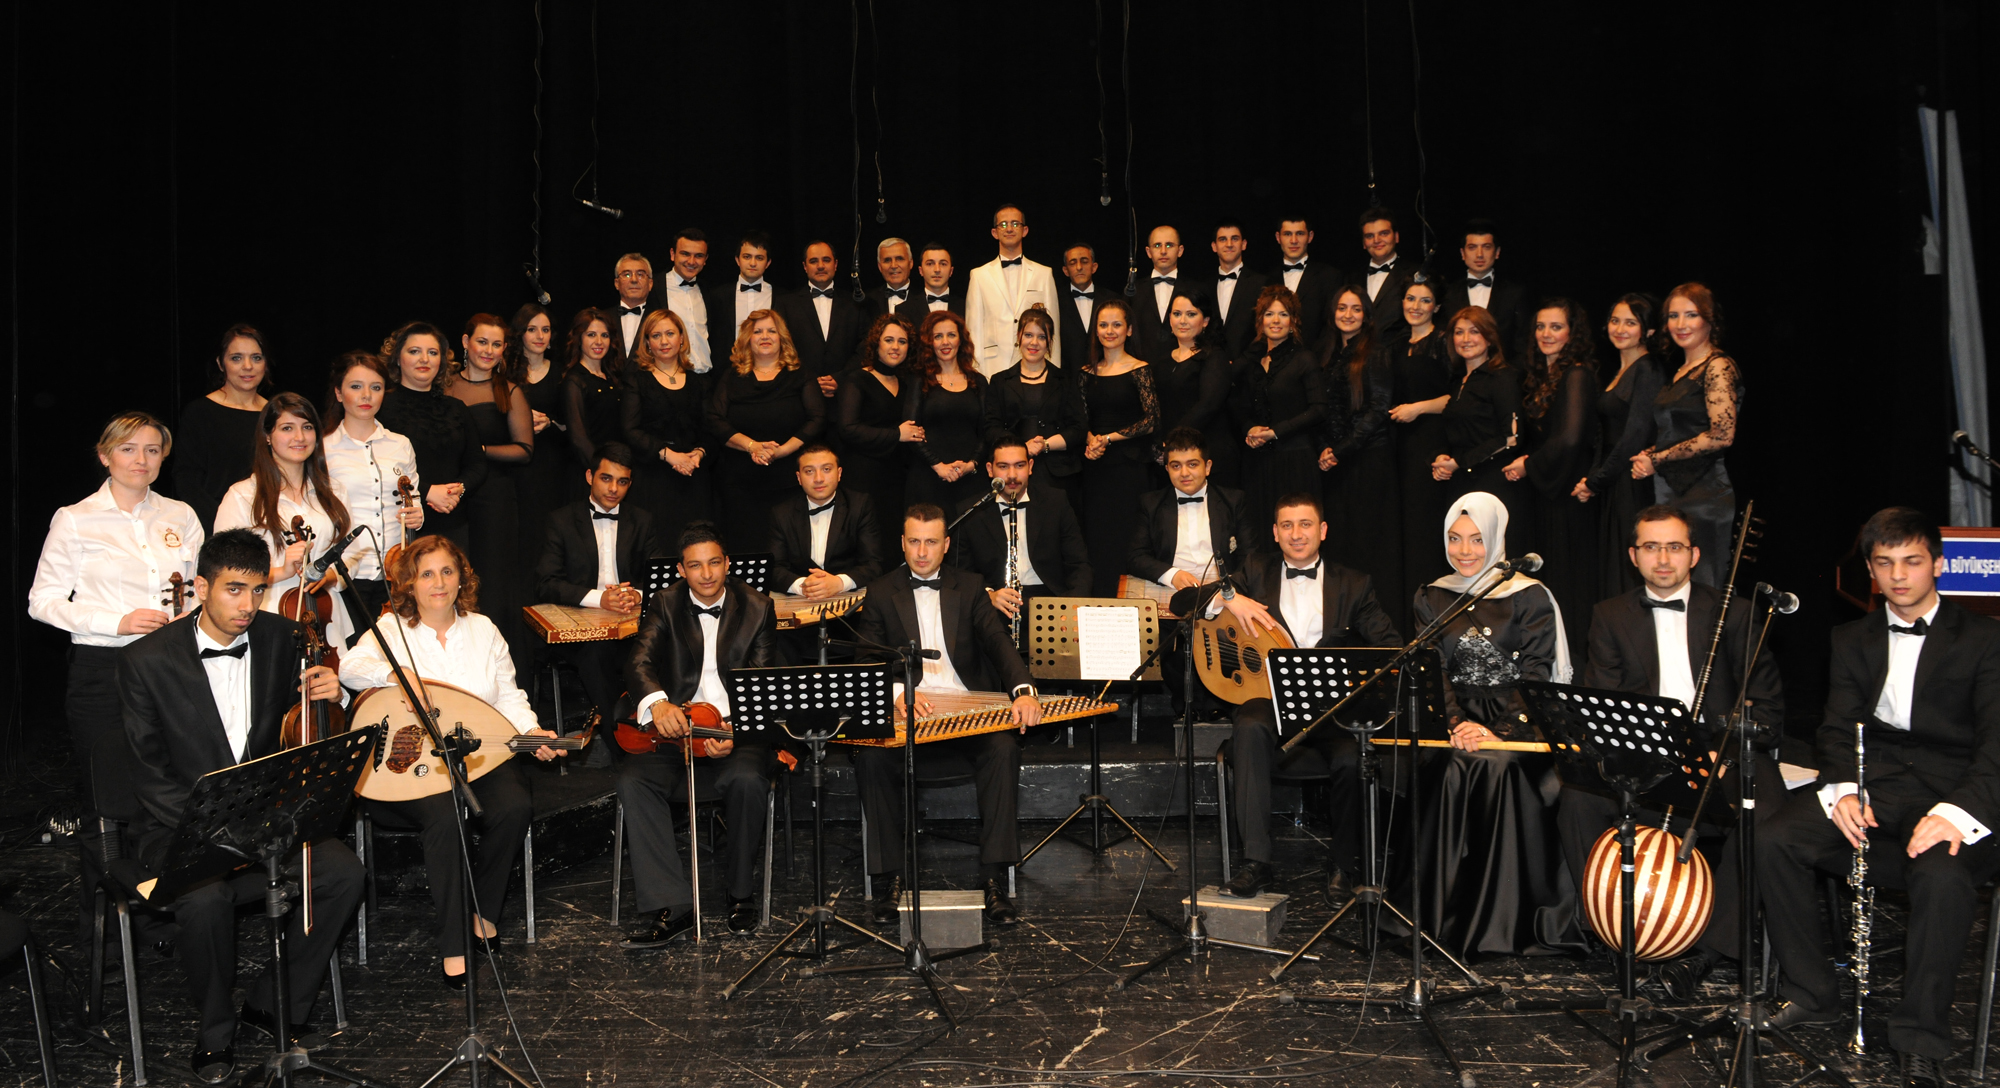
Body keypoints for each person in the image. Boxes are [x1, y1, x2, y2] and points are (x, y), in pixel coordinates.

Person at [1757, 509, 2000, 1088]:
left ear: (1938, 565)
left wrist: (1954, 814)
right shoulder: (1851, 638)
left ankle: (1920, 1037)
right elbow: (1838, 727)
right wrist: (1844, 788)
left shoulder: (1987, 639)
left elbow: (1997, 744)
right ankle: (1812, 992)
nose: (1898, 576)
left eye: (1912, 562)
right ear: (1870, 570)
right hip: (1877, 784)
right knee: (1775, 838)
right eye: (1885, 564)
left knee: (1941, 875)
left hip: (1955, 792)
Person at [118, 529, 362, 1083]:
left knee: (343, 874)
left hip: (264, 818)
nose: (247, 605)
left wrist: (333, 693)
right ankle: (215, 1030)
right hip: (180, 825)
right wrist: (224, 827)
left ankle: (271, 1003)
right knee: (205, 898)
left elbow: (303, 727)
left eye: (256, 590)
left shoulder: (282, 636)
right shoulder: (145, 660)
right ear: (201, 587)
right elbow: (149, 775)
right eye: (233, 590)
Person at [1557, 504, 1787, 1001]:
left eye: (1675, 547)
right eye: (1651, 547)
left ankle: (1707, 952)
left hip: (1722, 751)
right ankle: (1617, 933)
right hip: (1650, 750)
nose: (1663, 559)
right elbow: (1603, 705)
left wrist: (1724, 750)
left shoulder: (1736, 613)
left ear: (1694, 555)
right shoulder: (1609, 615)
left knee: (1765, 813)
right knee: (1578, 798)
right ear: (1633, 556)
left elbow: (1768, 710)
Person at [342, 534, 560, 987]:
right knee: (444, 815)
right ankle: (454, 943)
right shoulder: (391, 628)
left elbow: (508, 696)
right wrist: (396, 674)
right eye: (426, 574)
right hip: (410, 765)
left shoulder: (483, 629)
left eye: (447, 571)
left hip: (477, 754)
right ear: (410, 583)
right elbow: (350, 667)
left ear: (462, 578)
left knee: (514, 806)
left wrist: (531, 730)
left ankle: (484, 912)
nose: (438, 583)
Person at [30, 412, 205, 945]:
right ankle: (102, 930)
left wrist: (190, 613)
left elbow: (196, 589)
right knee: (104, 801)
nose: (141, 460)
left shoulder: (180, 514)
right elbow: (42, 601)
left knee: (165, 793)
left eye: (152, 450)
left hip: (167, 669)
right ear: (105, 456)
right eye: (128, 449)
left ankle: (159, 915)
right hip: (102, 670)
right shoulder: (75, 519)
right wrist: (117, 621)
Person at [1406, 492, 1583, 960]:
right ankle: (1442, 920)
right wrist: (1457, 722)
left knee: (1494, 766)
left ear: (1497, 538)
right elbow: (1431, 670)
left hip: (1521, 722)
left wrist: (1498, 731)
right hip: (1453, 720)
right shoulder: (1431, 595)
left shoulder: (1529, 594)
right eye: (1455, 538)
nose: (1464, 550)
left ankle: (1496, 924)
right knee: (1449, 767)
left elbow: (1537, 675)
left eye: (1477, 539)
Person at [851, 504, 1043, 926]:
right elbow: (866, 660)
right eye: (914, 542)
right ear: (902, 544)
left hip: (966, 718)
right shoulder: (880, 592)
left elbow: (998, 642)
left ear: (946, 544)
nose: (922, 552)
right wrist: (898, 694)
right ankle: (890, 879)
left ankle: (994, 878)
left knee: (1003, 748)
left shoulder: (970, 586)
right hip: (909, 721)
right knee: (871, 757)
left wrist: (1023, 690)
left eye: (931, 542)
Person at [1207, 493, 1402, 899]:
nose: (1297, 534)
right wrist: (1229, 597)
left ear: (1323, 531)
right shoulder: (1254, 571)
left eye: (1306, 524)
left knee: (1352, 757)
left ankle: (1343, 866)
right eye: (1287, 525)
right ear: (1275, 533)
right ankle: (1256, 863)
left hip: (1331, 709)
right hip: (1270, 701)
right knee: (1248, 725)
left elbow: (1390, 647)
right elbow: (1184, 602)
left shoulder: (1354, 584)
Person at [617, 521, 780, 946]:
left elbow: (763, 683)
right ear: (680, 570)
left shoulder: (758, 607)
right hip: (677, 728)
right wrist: (659, 703)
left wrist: (736, 731)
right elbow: (639, 662)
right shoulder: (664, 602)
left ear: (727, 564)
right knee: (634, 781)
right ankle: (674, 905)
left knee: (747, 779)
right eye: (695, 566)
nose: (706, 574)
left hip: (731, 728)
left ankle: (740, 893)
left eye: (713, 563)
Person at [213, 393, 363, 647]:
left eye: (307, 427)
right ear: (267, 436)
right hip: (266, 615)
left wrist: (329, 576)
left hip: (324, 617)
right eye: (287, 428)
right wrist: (281, 572)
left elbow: (353, 553)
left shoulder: (334, 491)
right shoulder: (242, 496)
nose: (299, 437)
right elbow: (226, 571)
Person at [1126, 428, 1253, 710]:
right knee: (1166, 636)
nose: (1184, 473)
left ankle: (1220, 704)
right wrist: (1172, 574)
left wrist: (1227, 587)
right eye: (1176, 466)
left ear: (1207, 466)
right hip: (1172, 592)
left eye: (1192, 464)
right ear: (1167, 469)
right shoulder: (1151, 503)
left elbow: (1250, 557)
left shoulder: (1234, 500)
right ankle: (1186, 705)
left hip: (1221, 592)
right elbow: (1135, 556)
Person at [535, 443, 661, 720]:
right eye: (606, 478)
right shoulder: (561, 520)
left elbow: (658, 577)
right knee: (596, 655)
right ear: (590, 476)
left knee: (664, 644)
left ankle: (658, 729)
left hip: (632, 628)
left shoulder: (642, 521)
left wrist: (638, 595)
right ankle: (618, 735)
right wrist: (599, 598)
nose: (614, 488)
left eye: (622, 482)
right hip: (582, 633)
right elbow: (547, 583)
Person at [1504, 299, 1599, 652]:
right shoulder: (1544, 374)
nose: (1546, 333)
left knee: (1567, 579)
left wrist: (1528, 465)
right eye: (1541, 326)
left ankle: (1571, 663)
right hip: (1547, 492)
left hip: (1566, 494)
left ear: (1572, 333)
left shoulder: (1576, 374)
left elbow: (1570, 439)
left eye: (1556, 327)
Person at [1631, 283, 1742, 588]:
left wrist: (1657, 458)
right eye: (1673, 315)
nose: (1680, 324)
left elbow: (1722, 435)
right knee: (1674, 585)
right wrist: (1650, 454)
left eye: (1691, 315)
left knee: (1705, 586)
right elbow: (1681, 431)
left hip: (1704, 494)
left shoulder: (1718, 366)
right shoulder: (1683, 369)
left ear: (1709, 319)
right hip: (1671, 490)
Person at [448, 313, 535, 673]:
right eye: (482, 341)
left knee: (494, 586)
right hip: (451, 499)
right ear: (465, 342)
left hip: (495, 501)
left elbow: (525, 450)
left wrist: (478, 451)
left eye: (496, 344)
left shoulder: (509, 390)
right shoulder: (444, 387)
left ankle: (498, 675)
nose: (488, 350)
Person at [951, 439, 1092, 653]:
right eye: (1003, 466)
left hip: (1050, 601)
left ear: (1030, 466)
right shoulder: (970, 511)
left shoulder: (1055, 502)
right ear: (989, 469)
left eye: (1019, 465)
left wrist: (1070, 607)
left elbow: (1079, 564)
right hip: (998, 602)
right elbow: (961, 573)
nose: (1012, 475)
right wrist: (988, 595)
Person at [321, 350, 426, 632]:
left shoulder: (400, 444)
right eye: (356, 386)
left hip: (396, 573)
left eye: (376, 387)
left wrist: (417, 516)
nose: (366, 395)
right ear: (339, 393)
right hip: (346, 574)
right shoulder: (324, 448)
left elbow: (413, 497)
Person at [706, 309, 827, 552]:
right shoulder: (732, 376)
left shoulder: (800, 375)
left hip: (789, 479)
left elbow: (817, 419)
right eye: (758, 331)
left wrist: (782, 451)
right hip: (740, 482)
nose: (765, 336)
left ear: (782, 337)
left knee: (788, 548)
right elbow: (714, 419)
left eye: (772, 331)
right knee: (745, 546)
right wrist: (751, 446)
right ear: (747, 338)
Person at [1573, 294, 1664, 597]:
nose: (1620, 329)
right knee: (1612, 565)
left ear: (1648, 330)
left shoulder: (1648, 369)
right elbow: (1605, 434)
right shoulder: (1620, 370)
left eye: (1630, 322)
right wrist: (1592, 478)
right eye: (1615, 321)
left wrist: (1595, 482)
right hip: (1613, 479)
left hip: (1630, 481)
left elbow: (1635, 435)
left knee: (1628, 567)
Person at [1228, 286, 1327, 553]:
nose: (1275, 320)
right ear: (1260, 321)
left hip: (1295, 460)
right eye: (1269, 314)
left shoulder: (1304, 359)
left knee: (1296, 534)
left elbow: (1319, 409)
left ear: (1293, 321)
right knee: (1259, 532)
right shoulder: (1252, 361)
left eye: (1283, 314)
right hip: (1257, 462)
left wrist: (1276, 431)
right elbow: (1237, 405)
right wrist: (1249, 428)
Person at [375, 321, 486, 547]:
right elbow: (376, 467)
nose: (424, 359)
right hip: (402, 523)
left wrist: (458, 488)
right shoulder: (380, 407)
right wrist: (426, 491)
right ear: (397, 358)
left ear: (441, 361)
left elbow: (477, 463)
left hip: (454, 521)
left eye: (433, 353)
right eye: (414, 351)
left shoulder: (457, 408)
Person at [1316, 287, 1397, 592]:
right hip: (1335, 463)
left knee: (1366, 540)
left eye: (1356, 308)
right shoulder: (1326, 353)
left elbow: (1379, 409)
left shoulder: (1376, 352)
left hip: (1368, 458)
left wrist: (1340, 450)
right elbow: (1322, 409)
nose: (1348, 315)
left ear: (1367, 315)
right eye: (1342, 308)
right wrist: (1326, 448)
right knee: (1339, 540)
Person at [1078, 297, 1161, 595]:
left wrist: (1108, 438)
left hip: (1130, 466)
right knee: (1097, 536)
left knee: (1128, 534)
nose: (1109, 331)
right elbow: (1080, 418)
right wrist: (1090, 439)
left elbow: (1151, 420)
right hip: (1094, 468)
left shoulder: (1140, 369)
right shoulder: (1086, 372)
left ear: (1129, 330)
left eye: (1116, 324)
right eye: (1103, 325)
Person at [1384, 278, 1453, 628]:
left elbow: (1458, 395)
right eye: (1410, 298)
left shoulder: (1444, 342)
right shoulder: (1395, 344)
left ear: (1436, 307)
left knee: (1424, 531)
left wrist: (1418, 408)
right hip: (1398, 445)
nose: (1416, 306)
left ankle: (1432, 621)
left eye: (1425, 300)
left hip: (1429, 444)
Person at [622, 309, 714, 548]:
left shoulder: (699, 382)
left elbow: (710, 429)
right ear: (647, 343)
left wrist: (699, 453)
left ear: (681, 338)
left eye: (670, 334)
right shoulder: (636, 380)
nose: (664, 341)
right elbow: (630, 430)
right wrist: (668, 455)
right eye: (656, 335)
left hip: (694, 476)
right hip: (653, 476)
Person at [836, 314, 923, 558]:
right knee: (866, 548)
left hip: (897, 479)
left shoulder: (907, 384)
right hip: (863, 479)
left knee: (892, 547)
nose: (896, 347)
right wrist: (897, 434)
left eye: (902, 341)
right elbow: (848, 428)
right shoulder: (857, 379)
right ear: (876, 343)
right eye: (889, 340)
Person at [981, 308, 1085, 510]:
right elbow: (991, 428)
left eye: (1041, 337)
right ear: (1019, 337)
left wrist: (1045, 444)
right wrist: (1022, 449)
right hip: (1012, 474)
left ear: (1050, 342)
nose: (1034, 342)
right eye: (1028, 335)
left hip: (1060, 472)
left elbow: (1079, 428)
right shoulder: (1000, 381)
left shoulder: (1065, 379)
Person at [175, 324, 273, 531]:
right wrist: (226, 525)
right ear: (221, 363)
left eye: (256, 358)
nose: (248, 366)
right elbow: (187, 482)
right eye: (236, 358)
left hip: (270, 524)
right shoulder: (200, 412)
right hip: (216, 527)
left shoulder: (276, 414)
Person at [1431, 306, 1523, 513]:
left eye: (1474, 331)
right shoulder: (1458, 381)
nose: (1466, 339)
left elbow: (1511, 438)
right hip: (1460, 482)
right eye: (1459, 332)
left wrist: (1461, 462)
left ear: (1489, 338)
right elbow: (1454, 432)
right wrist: (1441, 457)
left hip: (1491, 483)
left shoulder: (1502, 378)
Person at [767, 444, 884, 603]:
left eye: (826, 469)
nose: (818, 479)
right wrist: (803, 586)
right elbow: (774, 568)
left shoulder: (860, 505)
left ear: (839, 473)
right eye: (809, 471)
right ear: (799, 478)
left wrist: (839, 583)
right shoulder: (782, 513)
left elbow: (873, 564)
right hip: (801, 600)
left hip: (848, 600)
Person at [508, 302, 572, 589]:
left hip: (551, 466)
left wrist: (551, 423)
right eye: (532, 329)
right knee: (520, 536)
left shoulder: (562, 373)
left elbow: (573, 426)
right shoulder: (504, 373)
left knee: (548, 536)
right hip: (516, 467)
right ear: (520, 333)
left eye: (545, 330)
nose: (539, 336)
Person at [901, 309, 989, 514]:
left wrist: (972, 464)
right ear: (929, 343)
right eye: (938, 336)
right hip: (929, 478)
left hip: (971, 480)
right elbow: (911, 432)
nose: (945, 342)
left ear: (961, 340)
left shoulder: (978, 382)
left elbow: (987, 430)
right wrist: (938, 465)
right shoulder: (919, 380)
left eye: (951, 335)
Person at [965, 204, 1067, 371]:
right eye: (1003, 224)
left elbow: (1052, 328)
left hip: (1035, 366)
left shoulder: (1044, 274)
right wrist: (975, 373)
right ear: (994, 232)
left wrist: (1053, 372)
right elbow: (973, 330)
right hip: (992, 367)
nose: (1009, 229)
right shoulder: (979, 275)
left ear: (1024, 230)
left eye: (1015, 223)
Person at [1155, 293, 1236, 487]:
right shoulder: (1161, 361)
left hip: (1208, 452)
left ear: (1205, 321)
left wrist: (1172, 441)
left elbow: (1208, 405)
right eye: (1177, 314)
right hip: (1170, 457)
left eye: (1191, 314)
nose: (1182, 320)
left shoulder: (1215, 357)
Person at [773, 239, 866, 398]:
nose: (821, 266)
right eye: (814, 261)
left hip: (847, 393)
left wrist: (840, 378)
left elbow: (864, 346)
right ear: (805, 266)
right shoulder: (786, 303)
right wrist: (810, 381)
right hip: (799, 393)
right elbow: (781, 347)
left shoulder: (855, 302)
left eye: (826, 260)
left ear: (835, 264)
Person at [1438, 220, 1531, 358]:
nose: (1479, 254)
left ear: (1497, 252)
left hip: (1504, 369)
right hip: (1459, 370)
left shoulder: (1515, 293)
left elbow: (1523, 344)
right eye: (1472, 247)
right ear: (1462, 253)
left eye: (1486, 247)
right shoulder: (1448, 293)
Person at [560, 307, 631, 487]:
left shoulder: (614, 376)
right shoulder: (575, 380)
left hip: (616, 469)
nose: (599, 341)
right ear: (579, 338)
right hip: (591, 474)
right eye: (591, 335)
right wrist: (603, 473)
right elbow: (578, 439)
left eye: (604, 335)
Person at [1204, 218, 1270, 361]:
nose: (1229, 244)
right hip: (1211, 368)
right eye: (1223, 239)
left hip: (1249, 368)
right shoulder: (1204, 286)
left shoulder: (1260, 283)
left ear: (1243, 244)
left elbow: (1266, 332)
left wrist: (1239, 365)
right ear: (1214, 246)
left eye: (1234, 239)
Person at [1274, 215, 1342, 351]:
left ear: (1310, 237)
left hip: (1316, 359)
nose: (1294, 240)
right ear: (1278, 237)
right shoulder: (1266, 279)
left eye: (1300, 234)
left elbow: (1331, 326)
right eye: (1287, 234)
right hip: (1273, 359)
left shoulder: (1329, 276)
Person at [660, 228, 716, 374]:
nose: (691, 261)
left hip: (705, 376)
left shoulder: (709, 291)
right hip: (669, 376)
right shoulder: (654, 287)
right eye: (685, 254)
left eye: (698, 256)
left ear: (705, 259)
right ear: (672, 254)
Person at [1355, 207, 1417, 325]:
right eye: (1369, 236)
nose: (1376, 240)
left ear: (1396, 237)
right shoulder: (1351, 278)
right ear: (1364, 243)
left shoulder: (1415, 274)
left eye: (1384, 233)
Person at [1135, 225, 1186, 360]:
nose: (1163, 251)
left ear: (1180, 250)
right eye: (1157, 245)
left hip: (1185, 366)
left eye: (1169, 245)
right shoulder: (1133, 291)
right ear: (1148, 252)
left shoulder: (1195, 289)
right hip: (1142, 366)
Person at [1057, 243, 1101, 367]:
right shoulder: (1055, 301)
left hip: (1105, 373)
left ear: (1094, 267)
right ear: (1065, 270)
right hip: (1066, 375)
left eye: (1084, 262)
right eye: (1072, 263)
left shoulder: (1111, 300)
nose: (1079, 267)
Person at [610, 253, 657, 358]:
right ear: (617, 283)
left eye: (640, 274)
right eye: (627, 275)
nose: (634, 280)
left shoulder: (661, 320)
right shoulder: (603, 318)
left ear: (650, 283)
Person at [864, 237, 918, 318]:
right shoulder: (868, 301)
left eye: (899, 259)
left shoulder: (924, 297)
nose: (893, 266)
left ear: (910, 263)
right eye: (887, 260)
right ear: (880, 267)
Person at [916, 243, 960, 315]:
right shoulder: (905, 308)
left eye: (943, 264)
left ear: (951, 271)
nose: (937, 270)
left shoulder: (966, 306)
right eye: (930, 264)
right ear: (921, 270)